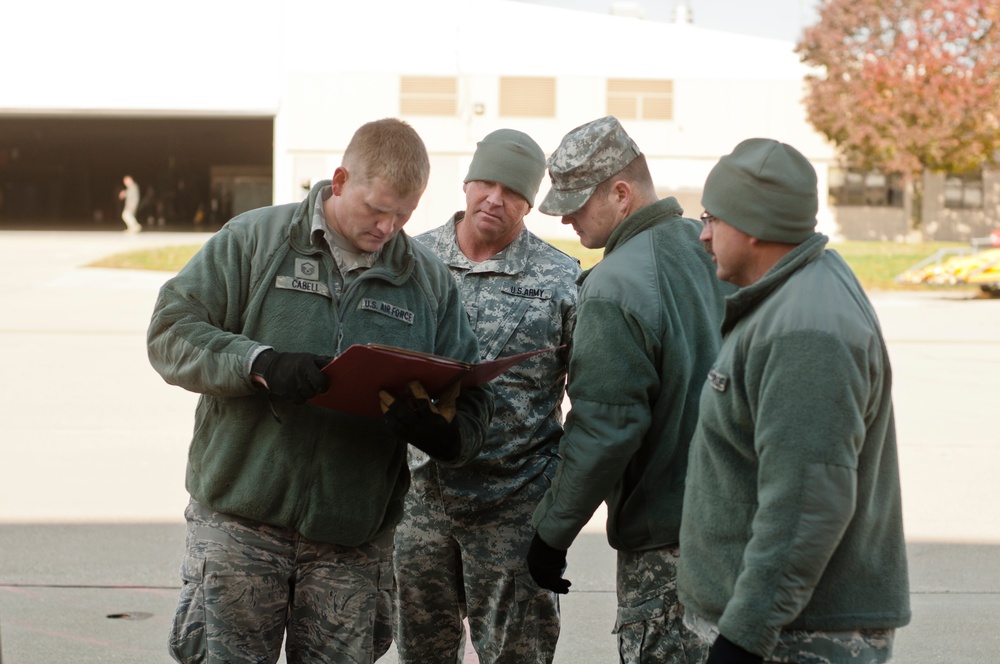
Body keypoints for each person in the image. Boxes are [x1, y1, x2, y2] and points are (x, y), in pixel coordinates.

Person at [147, 117, 494, 664]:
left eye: (403, 215)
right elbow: (170, 333)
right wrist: (259, 363)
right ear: (339, 180)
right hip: (239, 528)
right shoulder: (255, 240)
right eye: (375, 209)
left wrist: (445, 434)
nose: (387, 227)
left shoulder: (427, 282)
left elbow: (470, 396)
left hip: (350, 543)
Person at [677, 138, 911, 664]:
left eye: (713, 218)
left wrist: (742, 637)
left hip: (795, 638)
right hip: (781, 628)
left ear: (754, 224)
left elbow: (807, 504)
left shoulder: (805, 330)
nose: (704, 233)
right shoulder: (792, 294)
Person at [526, 116, 731, 663]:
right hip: (734, 530)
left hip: (667, 549)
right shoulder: (708, 249)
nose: (564, 215)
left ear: (621, 193)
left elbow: (604, 430)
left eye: (575, 202)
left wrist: (551, 534)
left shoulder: (614, 286)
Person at [392, 129, 579, 663]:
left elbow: (589, 400)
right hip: (420, 502)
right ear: (468, 183)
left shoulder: (560, 280)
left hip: (514, 506)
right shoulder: (412, 259)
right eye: (486, 183)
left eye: (512, 191)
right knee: (422, 652)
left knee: (518, 655)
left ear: (529, 202)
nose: (495, 199)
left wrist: (554, 500)